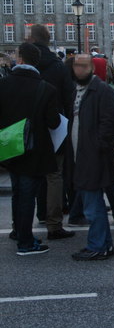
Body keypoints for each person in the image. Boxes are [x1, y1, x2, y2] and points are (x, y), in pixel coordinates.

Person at [0, 42, 60, 255]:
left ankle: (18, 230)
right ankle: (25, 243)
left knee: (17, 193)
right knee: (27, 196)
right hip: (35, 150)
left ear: (21, 60)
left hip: (10, 148)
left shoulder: (4, 84)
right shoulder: (46, 88)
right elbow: (53, 123)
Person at [66, 54, 114, 260]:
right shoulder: (76, 90)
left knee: (92, 205)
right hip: (82, 155)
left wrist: (97, 147)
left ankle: (98, 245)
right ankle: (104, 245)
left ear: (92, 68)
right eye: (76, 66)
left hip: (93, 157)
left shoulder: (101, 90)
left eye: (84, 66)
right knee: (92, 203)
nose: (79, 70)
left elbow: (108, 123)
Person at [30, 24, 75, 240]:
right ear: (49, 41)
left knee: (31, 173)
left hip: (28, 127)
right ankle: (54, 223)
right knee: (54, 174)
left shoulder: (27, 65)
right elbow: (69, 96)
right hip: (55, 124)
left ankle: (30, 219)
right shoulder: (58, 66)